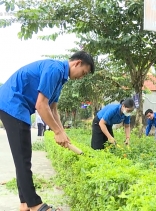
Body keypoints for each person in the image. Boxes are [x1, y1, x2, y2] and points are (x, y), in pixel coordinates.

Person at [0, 51, 95, 211]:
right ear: (77, 63)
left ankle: (24, 204)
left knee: (22, 158)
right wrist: (57, 132)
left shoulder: (61, 78)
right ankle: (35, 204)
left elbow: (53, 109)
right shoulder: (55, 69)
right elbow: (41, 105)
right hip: (13, 104)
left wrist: (62, 132)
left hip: (15, 105)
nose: (82, 77)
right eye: (84, 73)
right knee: (23, 159)